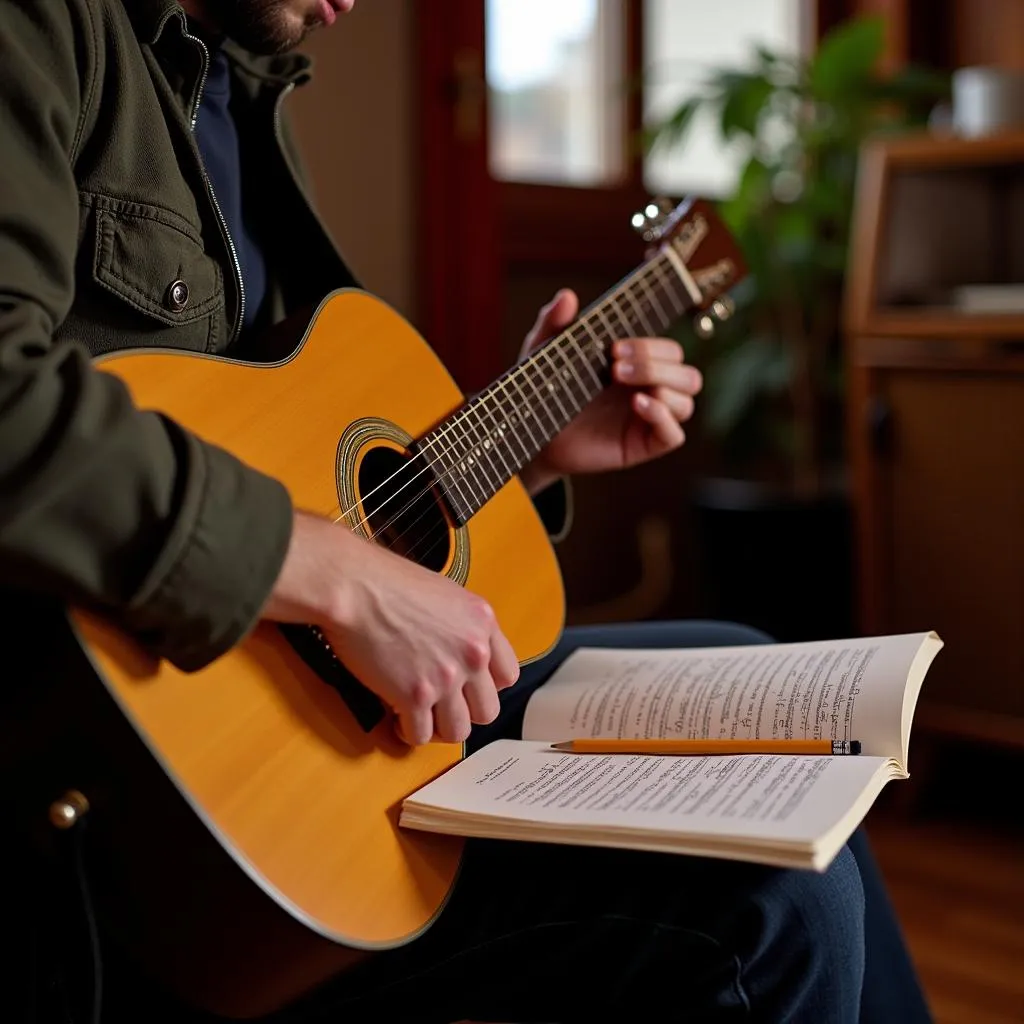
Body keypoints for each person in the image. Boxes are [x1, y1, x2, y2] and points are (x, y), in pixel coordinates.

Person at [0, 0, 932, 1021]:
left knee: (785, 716)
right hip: (134, 791)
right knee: (780, 892)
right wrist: (338, 579)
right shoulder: (47, 29)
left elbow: (288, 463)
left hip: (283, 693)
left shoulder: (241, 90)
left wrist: (523, 451)